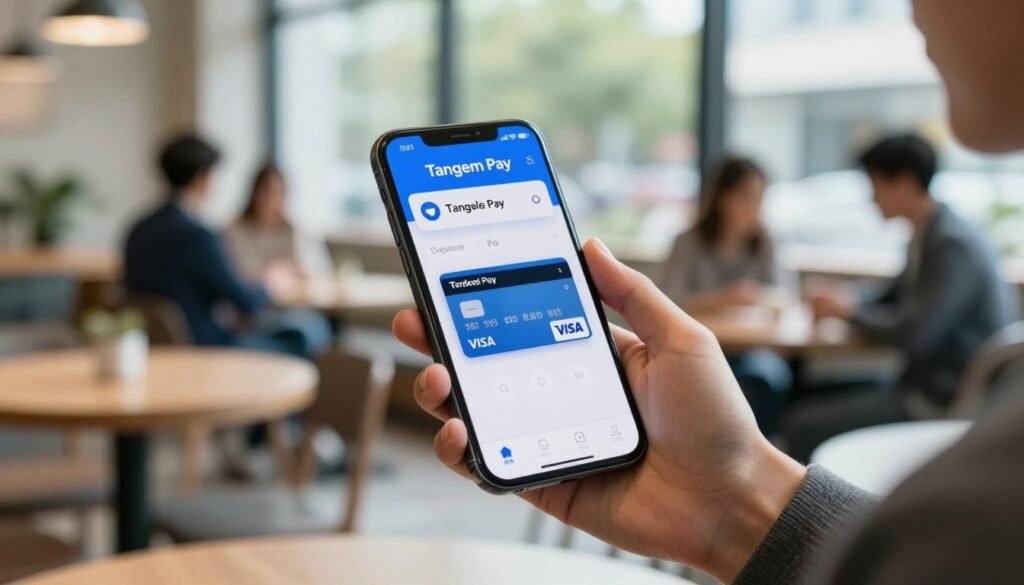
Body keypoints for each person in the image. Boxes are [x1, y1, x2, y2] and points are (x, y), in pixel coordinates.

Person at [391, 1, 1024, 583]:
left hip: (933, 396)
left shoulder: (982, 502)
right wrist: (738, 507)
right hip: (840, 398)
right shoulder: (700, 240)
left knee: (784, 393)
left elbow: (908, 322)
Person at [785, 133, 1018, 461]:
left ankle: (820, 510)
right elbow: (891, 297)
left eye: (875, 184)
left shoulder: (952, 245)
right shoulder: (930, 232)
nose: (872, 199)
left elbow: (916, 334)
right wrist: (845, 300)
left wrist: (849, 311)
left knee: (801, 423)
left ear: (905, 183)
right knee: (803, 393)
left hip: (944, 398)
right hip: (923, 384)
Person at [123, 135, 311, 357]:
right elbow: (246, 302)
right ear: (202, 178)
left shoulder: (137, 229)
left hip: (150, 347)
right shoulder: (198, 237)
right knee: (302, 339)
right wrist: (271, 281)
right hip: (205, 348)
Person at [660, 156, 792, 437]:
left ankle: (763, 456)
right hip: (699, 347)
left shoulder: (764, 243)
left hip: (751, 348)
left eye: (759, 199)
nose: (753, 208)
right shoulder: (688, 243)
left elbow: (784, 294)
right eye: (746, 197)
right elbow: (668, 299)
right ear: (721, 198)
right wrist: (723, 299)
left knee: (771, 377)